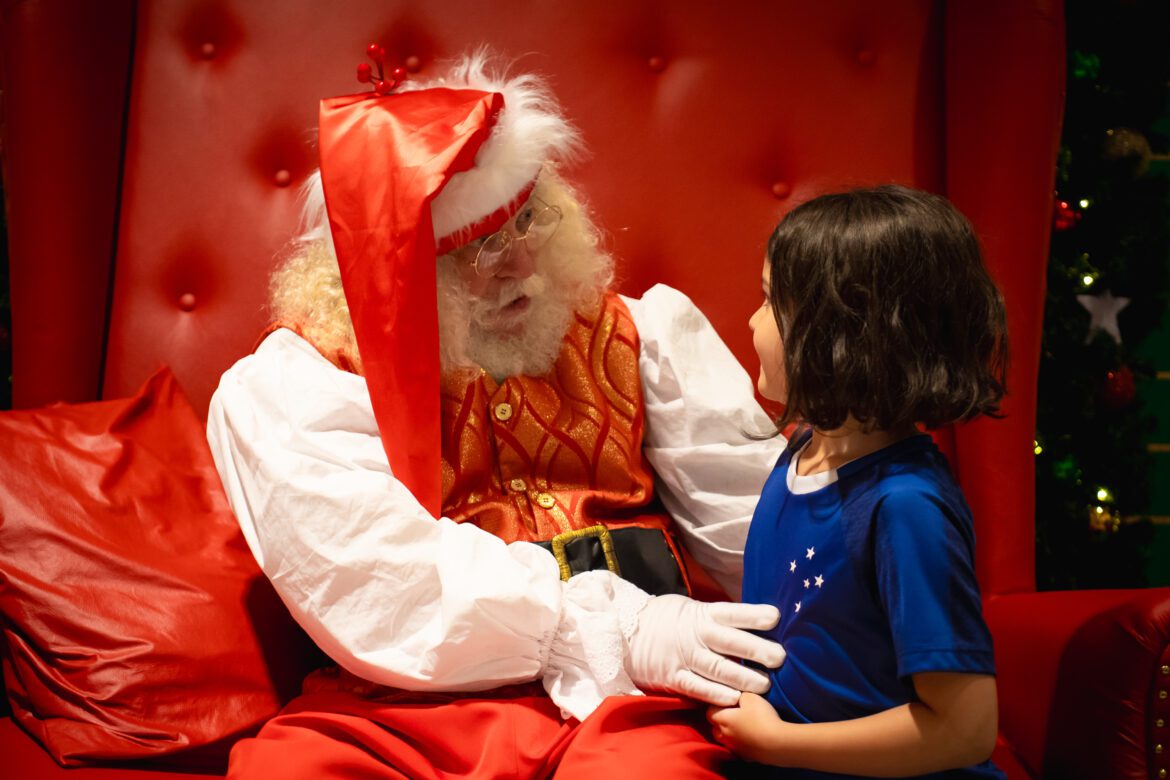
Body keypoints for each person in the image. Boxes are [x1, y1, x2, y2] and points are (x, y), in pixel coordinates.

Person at [207, 50, 787, 778]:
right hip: (401, 710)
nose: (521, 266)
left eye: (529, 220)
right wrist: (620, 624)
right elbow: (380, 584)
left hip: (626, 701)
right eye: (475, 248)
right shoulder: (298, 387)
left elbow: (768, 540)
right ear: (394, 278)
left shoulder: (647, 338)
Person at [708, 185, 1006, 778]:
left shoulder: (905, 506)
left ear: (844, 333)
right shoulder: (802, 450)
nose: (751, 320)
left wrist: (775, 745)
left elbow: (966, 728)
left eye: (771, 302)